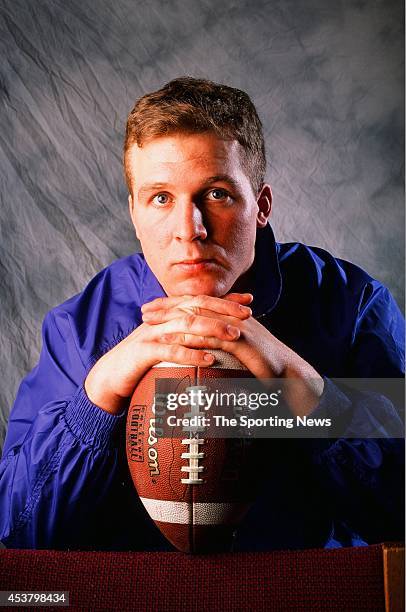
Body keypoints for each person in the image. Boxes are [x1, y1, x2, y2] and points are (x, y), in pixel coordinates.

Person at [0, 77, 404, 551]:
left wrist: (296, 387)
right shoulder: (80, 329)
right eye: (161, 198)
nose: (188, 230)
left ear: (262, 206)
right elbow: (22, 536)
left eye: (216, 194)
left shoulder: (350, 305)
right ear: (134, 212)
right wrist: (98, 398)